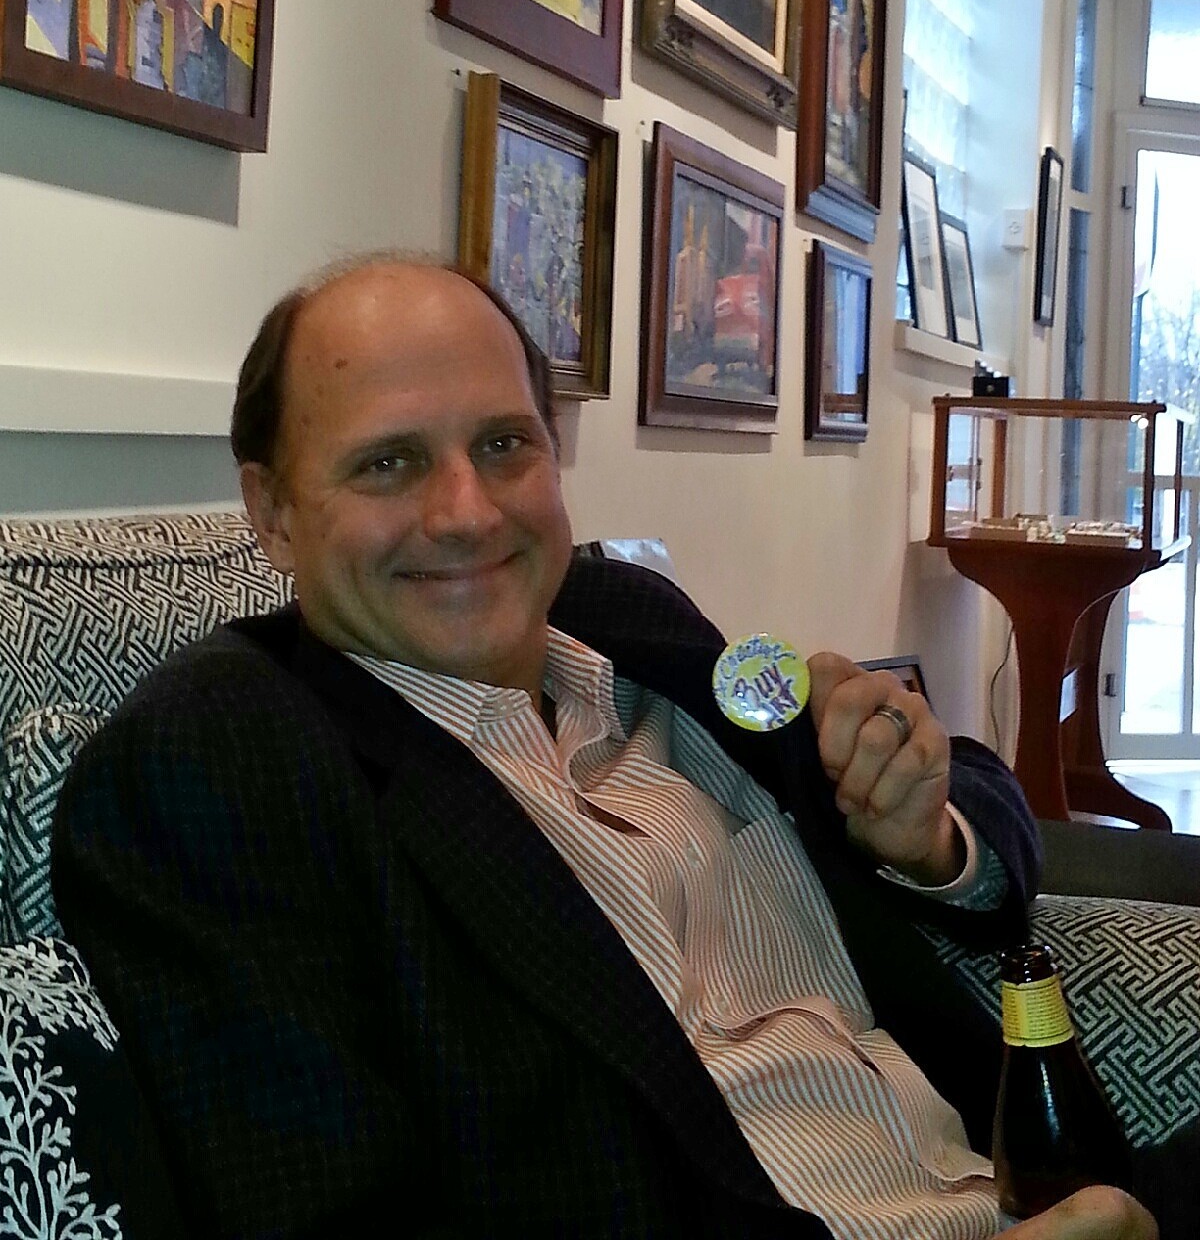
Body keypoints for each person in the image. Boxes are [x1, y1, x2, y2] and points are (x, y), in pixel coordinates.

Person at [52, 257, 1164, 1240]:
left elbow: (969, 802)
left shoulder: (634, 625)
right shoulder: (215, 763)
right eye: (388, 463)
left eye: (504, 445)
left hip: (1038, 1186)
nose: (467, 513)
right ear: (273, 511)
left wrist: (928, 835)